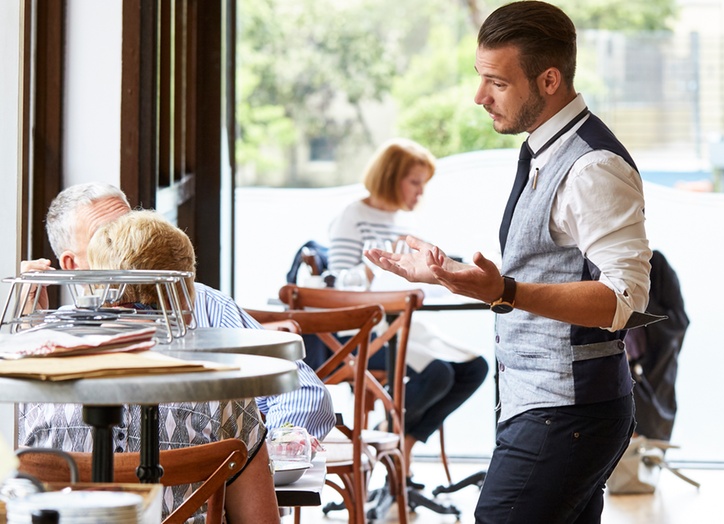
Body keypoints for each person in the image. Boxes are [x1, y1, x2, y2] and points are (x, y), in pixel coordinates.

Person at [365, 2, 651, 523]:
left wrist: (505, 292)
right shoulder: (545, 148)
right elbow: (544, 268)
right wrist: (447, 272)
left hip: (568, 411)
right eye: (480, 78)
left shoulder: (592, 166)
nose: (479, 97)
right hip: (544, 402)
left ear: (548, 80)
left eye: (496, 82)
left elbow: (624, 300)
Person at [21, 181, 334, 440]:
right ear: (71, 266)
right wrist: (28, 335)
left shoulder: (208, 306)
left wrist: (282, 445)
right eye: (106, 237)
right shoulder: (55, 339)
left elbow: (303, 392)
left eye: (129, 227)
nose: (127, 244)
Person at [328, 137, 489, 486]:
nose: (419, 192)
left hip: (401, 326)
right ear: (390, 177)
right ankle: (383, 441)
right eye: (414, 182)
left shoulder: (399, 222)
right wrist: (374, 267)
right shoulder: (352, 216)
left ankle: (400, 443)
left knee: (474, 368)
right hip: (363, 334)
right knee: (440, 375)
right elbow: (338, 285)